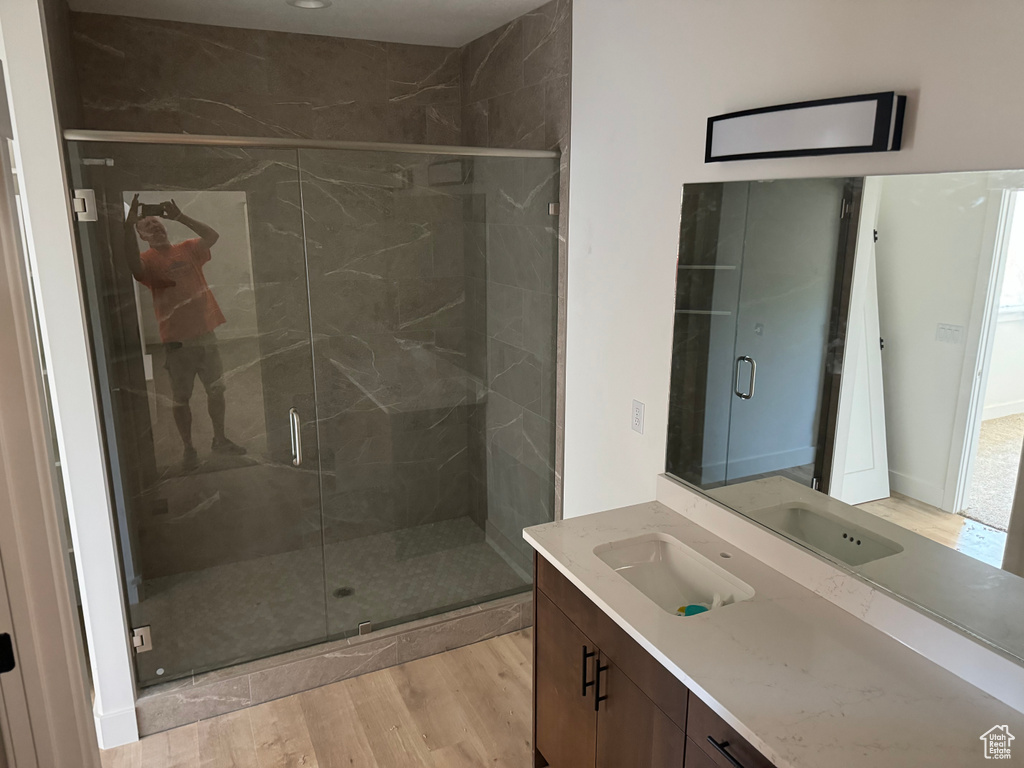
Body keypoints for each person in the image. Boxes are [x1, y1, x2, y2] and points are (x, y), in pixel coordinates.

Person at [124, 195, 246, 470]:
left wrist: (180, 216)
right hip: (177, 343)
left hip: (206, 335)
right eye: (148, 226)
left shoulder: (189, 249)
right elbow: (133, 266)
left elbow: (212, 235)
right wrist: (126, 227)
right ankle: (189, 449)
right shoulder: (147, 261)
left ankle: (220, 440)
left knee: (217, 391)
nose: (155, 227)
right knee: (182, 398)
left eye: (157, 222)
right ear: (142, 236)